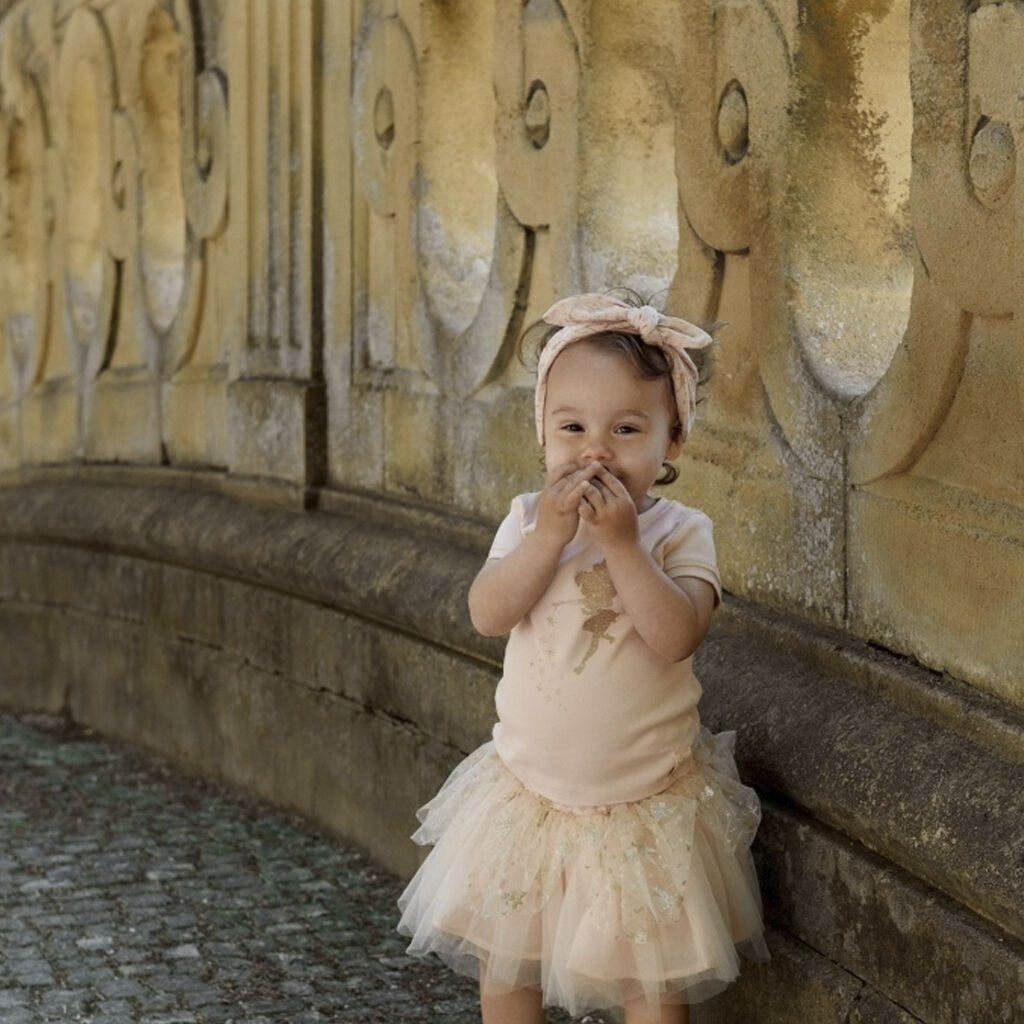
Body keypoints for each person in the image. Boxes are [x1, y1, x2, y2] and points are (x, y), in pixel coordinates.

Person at [398, 293, 767, 1023]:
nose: (595, 450)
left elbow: (675, 635)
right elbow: (487, 613)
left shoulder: (678, 533)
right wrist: (545, 540)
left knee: (652, 982)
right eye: (573, 427)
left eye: (627, 429)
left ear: (674, 441)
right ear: (543, 434)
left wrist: (624, 546)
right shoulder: (529, 522)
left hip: (645, 803)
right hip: (528, 794)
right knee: (509, 968)